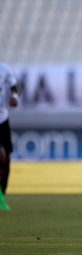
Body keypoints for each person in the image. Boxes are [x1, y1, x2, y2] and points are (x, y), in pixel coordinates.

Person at [0, 62, 20, 208]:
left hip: (2, 119)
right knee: (1, 156)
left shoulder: (4, 68)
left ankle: (2, 196)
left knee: (6, 160)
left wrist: (15, 97)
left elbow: (16, 88)